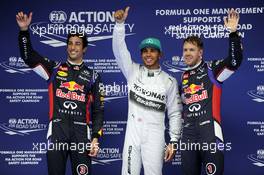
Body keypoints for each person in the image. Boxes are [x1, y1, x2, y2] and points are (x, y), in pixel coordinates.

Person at [16, 11, 104, 175]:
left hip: (81, 135)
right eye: (70, 43)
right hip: (57, 132)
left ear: (84, 48)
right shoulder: (54, 69)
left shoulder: (94, 76)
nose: (73, 47)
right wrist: (24, 31)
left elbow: (98, 110)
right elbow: (28, 56)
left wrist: (95, 138)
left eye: (78, 43)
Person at [113, 7, 182, 175]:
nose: (148, 54)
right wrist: (119, 25)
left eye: (152, 50)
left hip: (155, 135)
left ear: (160, 54)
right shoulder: (132, 71)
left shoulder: (169, 81)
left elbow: (175, 113)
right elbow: (119, 51)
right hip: (132, 134)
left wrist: (173, 140)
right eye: (145, 51)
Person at [180, 9, 243, 175]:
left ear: (200, 53)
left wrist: (233, 33)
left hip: (211, 137)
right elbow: (183, 108)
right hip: (188, 138)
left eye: (191, 50)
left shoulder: (212, 69)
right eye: (185, 50)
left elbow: (234, 62)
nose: (187, 53)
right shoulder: (184, 76)